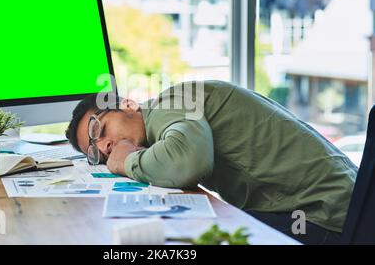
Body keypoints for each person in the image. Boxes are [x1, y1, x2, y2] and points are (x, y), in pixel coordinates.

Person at [65, 80, 357, 245]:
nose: (104, 147)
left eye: (99, 130)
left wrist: (128, 161)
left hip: (328, 218)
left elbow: (188, 160)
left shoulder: (171, 103)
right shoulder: (164, 119)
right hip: (325, 209)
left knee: (193, 241)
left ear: (128, 104)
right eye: (96, 153)